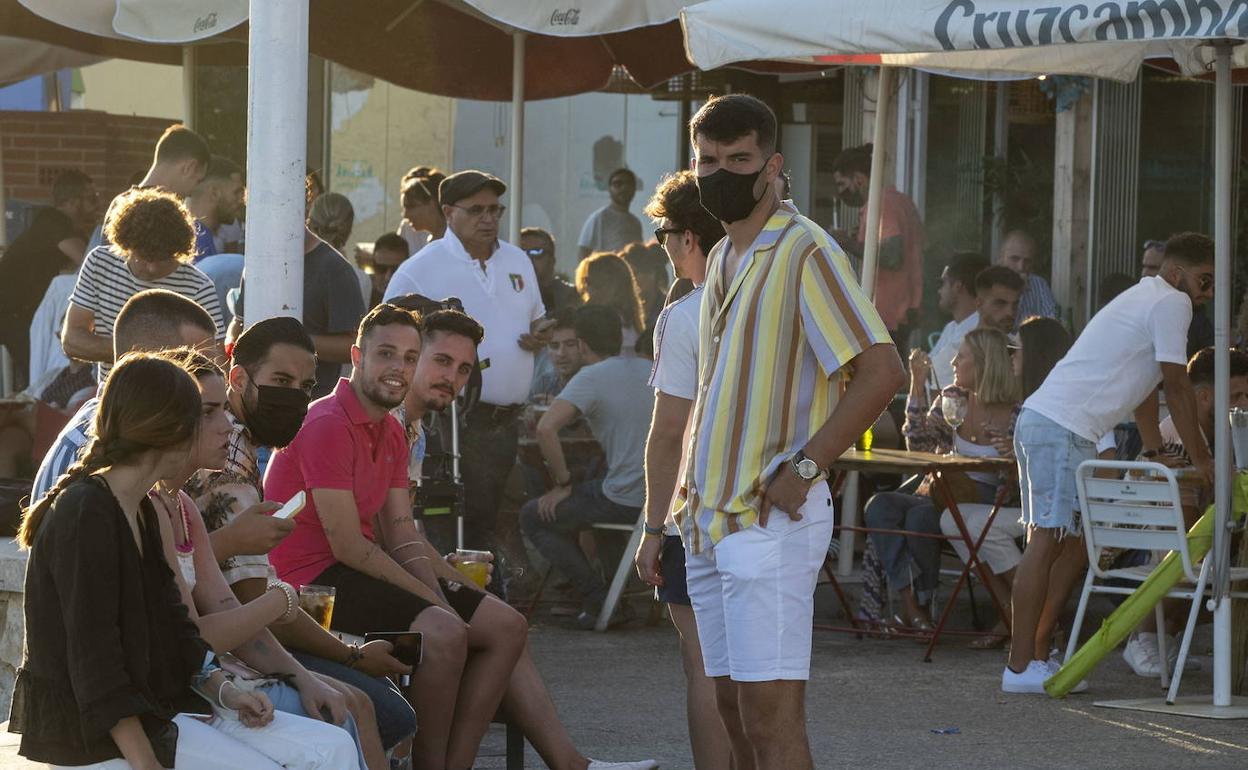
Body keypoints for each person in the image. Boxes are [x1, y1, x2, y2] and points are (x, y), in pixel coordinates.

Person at [680, 94, 902, 770]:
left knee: (770, 721)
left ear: (772, 165)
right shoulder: (722, 255)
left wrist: (805, 469)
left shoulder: (805, 249)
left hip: (769, 519)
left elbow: (882, 371)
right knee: (729, 711)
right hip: (711, 520)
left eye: (738, 159)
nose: (722, 172)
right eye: (709, 160)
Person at [11, 353, 357, 769]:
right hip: (85, 736)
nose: (221, 428)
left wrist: (226, 693)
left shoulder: (141, 508)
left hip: (150, 713)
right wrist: (148, 764)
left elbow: (177, 632)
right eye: (200, 416)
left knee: (333, 748)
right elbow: (95, 664)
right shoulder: (86, 511)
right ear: (167, 428)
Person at [265, 303, 522, 770]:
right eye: (387, 354)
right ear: (357, 356)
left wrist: (444, 591)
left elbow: (402, 534)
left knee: (506, 626)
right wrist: (433, 600)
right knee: (443, 634)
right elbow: (347, 545)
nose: (399, 369)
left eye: (409, 357)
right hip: (307, 584)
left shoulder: (392, 429)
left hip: (351, 571)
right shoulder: (328, 422)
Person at [401, 307, 656, 770]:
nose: (453, 378)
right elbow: (381, 538)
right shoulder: (386, 422)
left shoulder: (413, 429)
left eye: (462, 369)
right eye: (442, 362)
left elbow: (402, 532)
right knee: (508, 602)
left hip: (624, 498)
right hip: (648, 499)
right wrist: (438, 581)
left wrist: (442, 569)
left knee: (511, 599)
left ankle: (568, 760)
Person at [183, 317, 418, 764]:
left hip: (236, 639)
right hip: (215, 659)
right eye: (280, 381)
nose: (294, 397)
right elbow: (249, 608)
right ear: (237, 377)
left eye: (305, 385)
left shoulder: (239, 448)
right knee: (373, 708)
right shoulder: (227, 458)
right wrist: (349, 656)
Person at [1003, 231, 1216, 694]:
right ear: (1177, 273)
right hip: (1061, 426)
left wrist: (1157, 451)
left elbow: (1147, 385)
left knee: (1075, 545)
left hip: (1061, 425)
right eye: (1204, 280)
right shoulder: (1171, 303)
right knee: (1046, 541)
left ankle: (1038, 655)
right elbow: (1178, 388)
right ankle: (1020, 668)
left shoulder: (1145, 298)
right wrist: (1204, 461)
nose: (1208, 292)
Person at [383, 170, 549, 557]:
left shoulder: (517, 259)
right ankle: (459, 601)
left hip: (507, 422)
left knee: (490, 524)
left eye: (495, 209)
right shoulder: (421, 268)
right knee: (455, 526)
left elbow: (536, 315)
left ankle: (484, 601)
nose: (488, 219)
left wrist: (541, 332)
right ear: (449, 212)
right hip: (452, 424)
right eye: (476, 210)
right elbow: (384, 334)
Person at [633, 169, 731, 770]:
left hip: (695, 510)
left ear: (689, 237)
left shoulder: (687, 313)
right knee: (760, 669)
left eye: (665, 233)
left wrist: (651, 528)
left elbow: (668, 432)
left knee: (703, 665)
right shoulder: (770, 299)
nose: (664, 245)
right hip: (773, 501)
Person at [869, 328, 1021, 631]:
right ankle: (912, 606)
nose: (952, 362)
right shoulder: (954, 399)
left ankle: (921, 607)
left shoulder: (1017, 413)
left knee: (919, 517)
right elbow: (919, 446)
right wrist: (917, 383)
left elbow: (1023, 481)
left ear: (982, 364)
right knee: (880, 506)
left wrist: (1013, 455)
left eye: (961, 356)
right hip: (943, 492)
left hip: (989, 501)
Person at [940, 316, 1073, 650]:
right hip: (1030, 512)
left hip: (1048, 515)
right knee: (952, 519)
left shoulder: (1039, 409)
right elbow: (924, 440)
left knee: (965, 523)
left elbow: (1048, 478)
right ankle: (1016, 616)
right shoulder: (1033, 404)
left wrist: (1013, 460)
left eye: (1016, 350)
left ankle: (1030, 618)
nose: (1010, 355)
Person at [520, 305, 656, 627]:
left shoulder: (591, 376)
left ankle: (596, 600)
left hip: (625, 498)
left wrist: (563, 482)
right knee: (596, 495)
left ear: (581, 344)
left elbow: (545, 428)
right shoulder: (648, 367)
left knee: (533, 516)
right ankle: (614, 599)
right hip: (658, 497)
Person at [1119, 346, 1248, 678]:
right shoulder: (1178, 441)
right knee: (1203, 565)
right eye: (1235, 395)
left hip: (1165, 544)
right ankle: (1143, 637)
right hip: (1130, 551)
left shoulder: (1221, 435)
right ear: (1203, 398)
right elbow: (1187, 534)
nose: (1244, 403)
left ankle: (1165, 637)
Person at [62, 187, 225, 383]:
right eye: (144, 257)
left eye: (162, 258)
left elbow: (215, 362)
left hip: (173, 399)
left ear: (178, 251)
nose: (152, 267)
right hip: (114, 397)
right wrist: (146, 352)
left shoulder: (198, 286)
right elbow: (72, 340)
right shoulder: (100, 262)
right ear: (125, 245)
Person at [231, 210, 368, 400]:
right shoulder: (258, 263)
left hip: (311, 405)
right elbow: (238, 323)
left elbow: (354, 346)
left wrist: (290, 340)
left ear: (303, 207)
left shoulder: (335, 269)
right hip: (254, 402)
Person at [0, 170, 97, 386]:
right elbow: (88, 259)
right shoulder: (53, 221)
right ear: (73, 201)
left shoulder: (61, 226)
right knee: (38, 374)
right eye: (91, 198)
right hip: (11, 312)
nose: (96, 204)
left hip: (19, 312)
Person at [831, 142, 925, 355]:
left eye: (841, 183)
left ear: (859, 179)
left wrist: (848, 243)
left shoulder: (883, 203)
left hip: (891, 312)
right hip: (901, 310)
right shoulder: (898, 201)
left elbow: (893, 255)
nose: (840, 192)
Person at [90, 124, 211, 252]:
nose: (192, 193)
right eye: (198, 181)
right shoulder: (168, 213)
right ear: (189, 167)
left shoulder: (120, 203)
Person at [927, 252, 989, 390]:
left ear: (957, 286)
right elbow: (924, 367)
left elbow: (926, 371)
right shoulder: (952, 327)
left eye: (942, 283)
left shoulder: (978, 331)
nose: (939, 290)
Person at [574, 251, 646, 358]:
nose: (585, 288)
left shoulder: (603, 325)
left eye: (589, 281)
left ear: (609, 286)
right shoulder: (630, 324)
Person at [186, 155, 245, 262]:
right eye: (236, 193)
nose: (241, 200)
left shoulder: (200, 237)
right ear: (214, 193)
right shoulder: (196, 242)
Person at [578, 168, 643, 260]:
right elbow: (583, 251)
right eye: (618, 184)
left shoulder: (635, 223)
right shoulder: (598, 218)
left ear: (634, 189)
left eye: (628, 184)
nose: (623, 188)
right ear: (609, 189)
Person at [998, 230, 1058, 326]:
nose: (1021, 267)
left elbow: (1054, 320)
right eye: (1015, 259)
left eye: (1027, 261)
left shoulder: (1038, 284)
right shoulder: (990, 285)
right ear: (1001, 258)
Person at [521, 227, 580, 316]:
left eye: (537, 252)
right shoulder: (505, 294)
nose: (528, 259)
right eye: (521, 253)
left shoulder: (569, 296)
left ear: (552, 260)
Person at [398, 166, 448, 254]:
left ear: (432, 203)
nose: (405, 215)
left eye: (411, 206)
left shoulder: (461, 236)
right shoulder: (407, 229)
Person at [621, 241, 670, 328]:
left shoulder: (668, 309)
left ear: (651, 273)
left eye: (635, 274)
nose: (630, 280)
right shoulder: (623, 310)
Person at [974, 264, 1023, 334]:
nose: (1010, 313)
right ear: (979, 304)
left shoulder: (1020, 344)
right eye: (1001, 303)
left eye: (1015, 304)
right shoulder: (958, 343)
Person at [370, 232, 411, 306]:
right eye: (381, 268)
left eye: (395, 270)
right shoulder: (361, 295)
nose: (387, 277)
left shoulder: (416, 303)